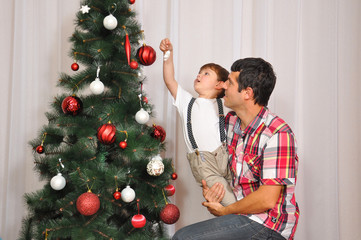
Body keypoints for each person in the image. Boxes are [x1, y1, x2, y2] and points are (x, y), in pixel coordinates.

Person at [172, 58, 299, 240]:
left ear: (247, 93)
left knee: (183, 238)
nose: (223, 85)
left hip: (269, 225)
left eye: (229, 82)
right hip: (240, 215)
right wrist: (215, 193)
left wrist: (226, 210)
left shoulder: (277, 134)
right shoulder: (230, 123)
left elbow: (267, 199)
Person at [159, 38, 237, 206]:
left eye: (206, 73)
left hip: (226, 158)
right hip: (205, 166)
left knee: (245, 196)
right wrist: (167, 55)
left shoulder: (224, 103)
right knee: (232, 205)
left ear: (219, 84)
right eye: (199, 72)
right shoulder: (187, 102)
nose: (199, 75)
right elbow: (169, 80)